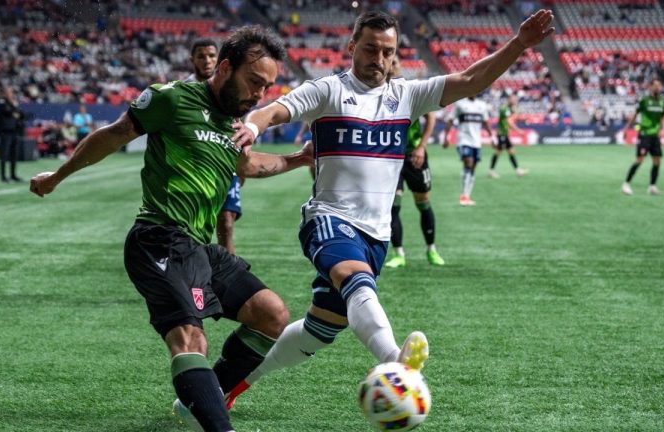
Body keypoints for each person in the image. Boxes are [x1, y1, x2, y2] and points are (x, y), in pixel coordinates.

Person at [230, 9, 554, 405]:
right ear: (352, 47)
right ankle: (396, 361)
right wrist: (253, 126)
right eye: (369, 49)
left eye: (387, 52)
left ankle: (232, 384)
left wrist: (518, 44)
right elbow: (275, 110)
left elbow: (470, 80)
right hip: (329, 219)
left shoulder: (406, 95)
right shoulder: (328, 90)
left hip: (376, 235)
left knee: (320, 329)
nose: (378, 60)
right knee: (355, 279)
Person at [29, 26, 310, 432]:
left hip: (198, 245)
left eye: (266, 87)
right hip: (158, 237)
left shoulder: (234, 124)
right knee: (190, 340)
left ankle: (196, 401)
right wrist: (58, 175)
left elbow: (248, 167)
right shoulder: (171, 98)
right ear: (226, 68)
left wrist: (298, 160)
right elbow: (113, 136)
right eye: (254, 82)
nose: (258, 95)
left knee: (272, 315)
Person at [384, 54, 443, 268]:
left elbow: (431, 117)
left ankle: (431, 249)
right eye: (388, 62)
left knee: (423, 203)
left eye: (395, 63)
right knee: (393, 206)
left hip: (414, 156)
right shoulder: (376, 92)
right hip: (391, 157)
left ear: (400, 67)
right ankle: (398, 254)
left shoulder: (410, 90)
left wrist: (422, 146)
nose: (391, 66)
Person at [184, 38, 243, 255]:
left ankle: (229, 281)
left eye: (211, 55)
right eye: (201, 56)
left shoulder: (230, 89)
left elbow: (238, 126)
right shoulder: (185, 90)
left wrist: (242, 162)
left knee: (226, 224)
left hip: (226, 165)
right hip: (196, 167)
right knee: (195, 227)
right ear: (192, 60)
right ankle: (195, 276)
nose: (207, 60)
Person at [443, 95, 493, 206]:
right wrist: (446, 137)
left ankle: (467, 195)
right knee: (469, 164)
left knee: (472, 168)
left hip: (477, 142)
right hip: (464, 140)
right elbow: (451, 120)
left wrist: (492, 137)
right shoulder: (460, 104)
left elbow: (485, 122)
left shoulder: (482, 105)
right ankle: (464, 196)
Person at [621, 79, 664, 195]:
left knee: (657, 161)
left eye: (659, 85)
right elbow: (635, 114)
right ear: (650, 87)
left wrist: (663, 129)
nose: (657, 88)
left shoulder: (663, 101)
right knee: (640, 160)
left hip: (655, 135)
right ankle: (626, 184)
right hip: (644, 134)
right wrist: (627, 128)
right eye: (655, 85)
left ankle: (652, 186)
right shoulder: (644, 100)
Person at [489, 93, 529, 178]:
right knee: (498, 152)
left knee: (511, 151)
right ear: (509, 99)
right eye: (513, 99)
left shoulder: (508, 109)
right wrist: (519, 131)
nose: (515, 101)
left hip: (505, 134)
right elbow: (509, 122)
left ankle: (518, 170)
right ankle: (491, 171)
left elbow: (513, 118)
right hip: (501, 134)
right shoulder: (505, 108)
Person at [0, 86, 24, 182]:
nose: (11, 94)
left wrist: (14, 110)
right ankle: (3, 176)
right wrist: (14, 108)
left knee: (14, 154)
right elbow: (8, 112)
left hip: (14, 131)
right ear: (5, 93)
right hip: (5, 132)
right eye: (9, 92)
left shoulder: (13, 103)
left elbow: (20, 114)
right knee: (4, 154)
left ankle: (13, 175)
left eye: (11, 92)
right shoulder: (2, 102)